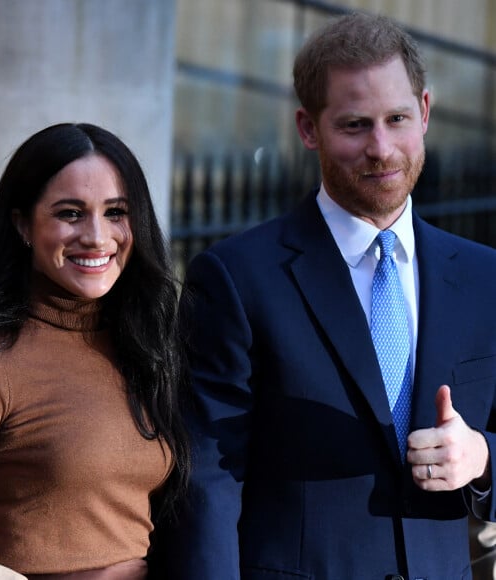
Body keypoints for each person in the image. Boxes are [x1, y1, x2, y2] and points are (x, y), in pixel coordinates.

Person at [158, 12, 496, 580]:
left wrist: (483, 458)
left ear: (427, 113)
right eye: (355, 125)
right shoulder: (236, 278)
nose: (382, 149)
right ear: (308, 129)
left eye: (397, 119)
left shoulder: (486, 277)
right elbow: (208, 480)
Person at [0, 122, 189, 579]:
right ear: (23, 224)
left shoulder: (145, 348)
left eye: (117, 212)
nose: (98, 237)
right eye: (70, 213)